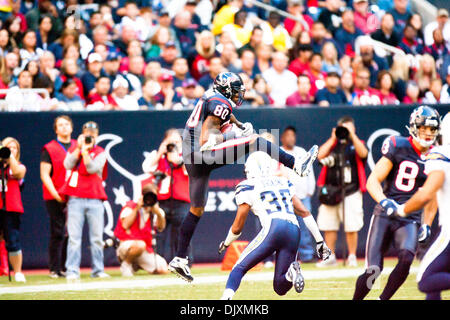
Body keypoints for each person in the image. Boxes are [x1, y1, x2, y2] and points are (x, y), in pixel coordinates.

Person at [168, 71, 319, 282]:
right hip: (200, 152)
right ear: (227, 90)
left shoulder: (212, 98)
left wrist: (237, 126)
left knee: (196, 209)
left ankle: (180, 258)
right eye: (236, 91)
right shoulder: (219, 103)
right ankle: (296, 164)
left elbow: (222, 117)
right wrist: (228, 135)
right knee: (255, 140)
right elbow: (207, 134)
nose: (239, 95)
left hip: (191, 159)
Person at [353, 106, 441, 300]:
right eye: (424, 128)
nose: (427, 133)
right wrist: (385, 202)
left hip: (410, 217)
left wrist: (426, 224)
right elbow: (372, 180)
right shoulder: (398, 145)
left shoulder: (436, 156)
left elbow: (432, 196)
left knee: (407, 257)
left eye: (432, 129)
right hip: (386, 213)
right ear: (413, 127)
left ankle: (382, 299)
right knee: (373, 270)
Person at [219, 152, 331, 299]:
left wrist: (226, 243)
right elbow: (304, 212)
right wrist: (320, 241)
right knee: (280, 286)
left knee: (238, 268)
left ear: (249, 169)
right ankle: (291, 274)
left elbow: (237, 227)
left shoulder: (247, 186)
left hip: (274, 227)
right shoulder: (283, 182)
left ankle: (225, 299)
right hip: (293, 230)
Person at [392, 113, 450, 300]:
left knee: (426, 280)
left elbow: (427, 192)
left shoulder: (441, 155)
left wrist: (402, 209)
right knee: (435, 284)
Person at [60, 121, 110, 281]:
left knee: (96, 238)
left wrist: (86, 152)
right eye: (87, 133)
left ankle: (98, 270)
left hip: (95, 199)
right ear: (82, 134)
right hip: (76, 198)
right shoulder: (74, 149)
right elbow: (67, 164)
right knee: (74, 237)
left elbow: (92, 169)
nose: (90, 136)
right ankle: (72, 271)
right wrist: (79, 150)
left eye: (92, 134)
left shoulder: (101, 151)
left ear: (96, 135)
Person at [316, 116, 368, 267]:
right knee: (328, 224)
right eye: (343, 128)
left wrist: (352, 135)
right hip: (331, 191)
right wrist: (333, 138)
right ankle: (329, 257)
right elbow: (319, 155)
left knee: (352, 225)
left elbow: (363, 153)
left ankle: (352, 256)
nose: (344, 131)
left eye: (348, 128)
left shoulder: (356, 144)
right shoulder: (333, 144)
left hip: (351, 190)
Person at [142, 129, 191, 264]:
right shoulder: (158, 156)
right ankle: (158, 263)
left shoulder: (187, 155)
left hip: (181, 201)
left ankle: (183, 262)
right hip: (162, 201)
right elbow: (146, 168)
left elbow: (190, 172)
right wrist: (160, 153)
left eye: (176, 141)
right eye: (171, 141)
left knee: (181, 234)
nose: (173, 144)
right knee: (160, 234)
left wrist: (178, 159)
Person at [40, 115, 75, 278]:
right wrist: (55, 193)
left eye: (66, 124)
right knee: (57, 231)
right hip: (55, 196)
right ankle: (54, 268)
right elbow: (44, 174)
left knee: (72, 233)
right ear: (56, 129)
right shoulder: (50, 148)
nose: (64, 127)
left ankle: (67, 266)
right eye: (60, 125)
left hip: (74, 195)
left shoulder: (78, 146)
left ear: (72, 127)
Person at [114, 183, 169, 277]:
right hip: (126, 246)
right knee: (140, 245)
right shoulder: (130, 207)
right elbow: (125, 225)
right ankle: (126, 264)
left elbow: (161, 227)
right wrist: (137, 208)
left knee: (164, 268)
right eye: (148, 196)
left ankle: (135, 265)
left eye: (153, 197)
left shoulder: (156, 211)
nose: (149, 199)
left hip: (145, 249)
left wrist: (158, 213)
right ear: (142, 196)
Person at [280, 127, 316, 262]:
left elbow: (309, 170)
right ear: (282, 138)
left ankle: (307, 255)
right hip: (285, 196)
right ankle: (287, 257)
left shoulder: (301, 152)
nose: (290, 138)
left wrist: (310, 190)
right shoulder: (278, 152)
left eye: (292, 135)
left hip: (302, 195)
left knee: (305, 227)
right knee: (285, 228)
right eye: (287, 135)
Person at [0, 137, 27, 282]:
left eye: (14, 147)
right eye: (7, 147)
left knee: (13, 241)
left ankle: (17, 272)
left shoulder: (20, 166)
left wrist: (9, 156)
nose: (11, 149)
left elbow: (18, 172)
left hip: (11, 208)